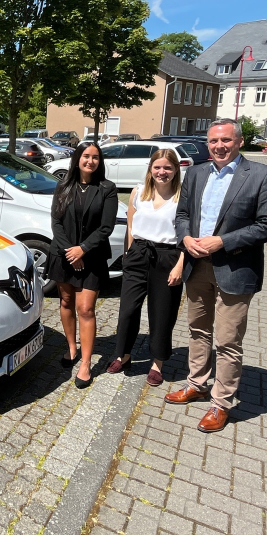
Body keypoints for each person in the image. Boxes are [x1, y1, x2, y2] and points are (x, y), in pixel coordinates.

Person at [164, 118, 267, 432]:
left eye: (226, 140)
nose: (219, 146)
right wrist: (185, 238)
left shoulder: (263, 175)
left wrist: (223, 241)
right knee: (197, 329)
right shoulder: (197, 172)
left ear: (239, 141)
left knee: (228, 339)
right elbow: (183, 214)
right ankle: (197, 383)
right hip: (197, 263)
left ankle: (221, 404)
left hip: (235, 267)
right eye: (213, 141)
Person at [107, 149, 186, 387]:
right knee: (128, 309)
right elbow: (131, 225)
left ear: (176, 170)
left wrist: (181, 265)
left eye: (168, 168)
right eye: (158, 167)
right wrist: (129, 254)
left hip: (168, 257)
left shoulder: (183, 197)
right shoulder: (138, 193)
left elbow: (188, 234)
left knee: (162, 313)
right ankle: (124, 354)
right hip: (139, 254)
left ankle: (157, 363)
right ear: (150, 169)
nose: (162, 172)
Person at [44, 143, 118, 389]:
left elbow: (106, 227)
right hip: (63, 254)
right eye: (86, 156)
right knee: (65, 301)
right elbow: (56, 221)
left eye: (95, 157)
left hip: (92, 256)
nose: (91, 161)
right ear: (77, 159)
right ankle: (72, 348)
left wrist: (82, 249)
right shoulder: (64, 185)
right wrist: (70, 251)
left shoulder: (107, 189)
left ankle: (86, 363)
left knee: (85, 308)